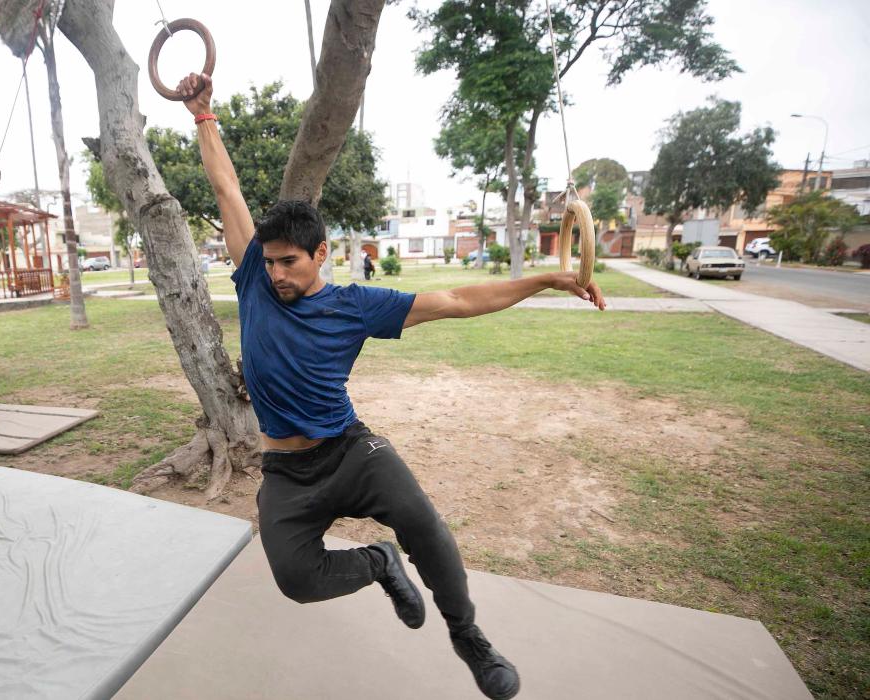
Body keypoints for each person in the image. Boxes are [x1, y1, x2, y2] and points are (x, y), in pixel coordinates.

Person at [179, 72, 606, 700]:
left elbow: (458, 298)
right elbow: (226, 188)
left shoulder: (358, 305)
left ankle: (469, 637)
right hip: (286, 470)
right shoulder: (251, 281)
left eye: (288, 262)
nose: (274, 274)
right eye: (268, 261)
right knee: (295, 577)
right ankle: (379, 563)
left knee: (424, 525)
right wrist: (202, 116)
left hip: (351, 451)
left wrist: (545, 280)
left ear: (320, 254)